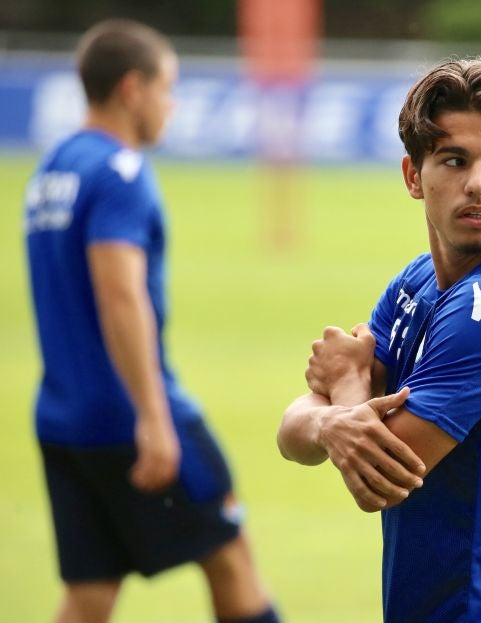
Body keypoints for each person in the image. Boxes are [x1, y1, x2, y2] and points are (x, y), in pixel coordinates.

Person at [277, 59, 481, 622]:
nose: (478, 182)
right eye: (454, 159)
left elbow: (379, 477)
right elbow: (293, 434)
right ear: (413, 176)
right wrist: (331, 421)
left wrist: (344, 390)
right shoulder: (419, 282)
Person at [24, 19, 279, 623]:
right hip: (128, 417)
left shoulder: (52, 171)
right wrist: (154, 418)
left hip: (62, 418)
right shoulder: (121, 174)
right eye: (168, 88)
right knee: (231, 558)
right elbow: (120, 295)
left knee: (90, 592)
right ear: (132, 89)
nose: (172, 105)